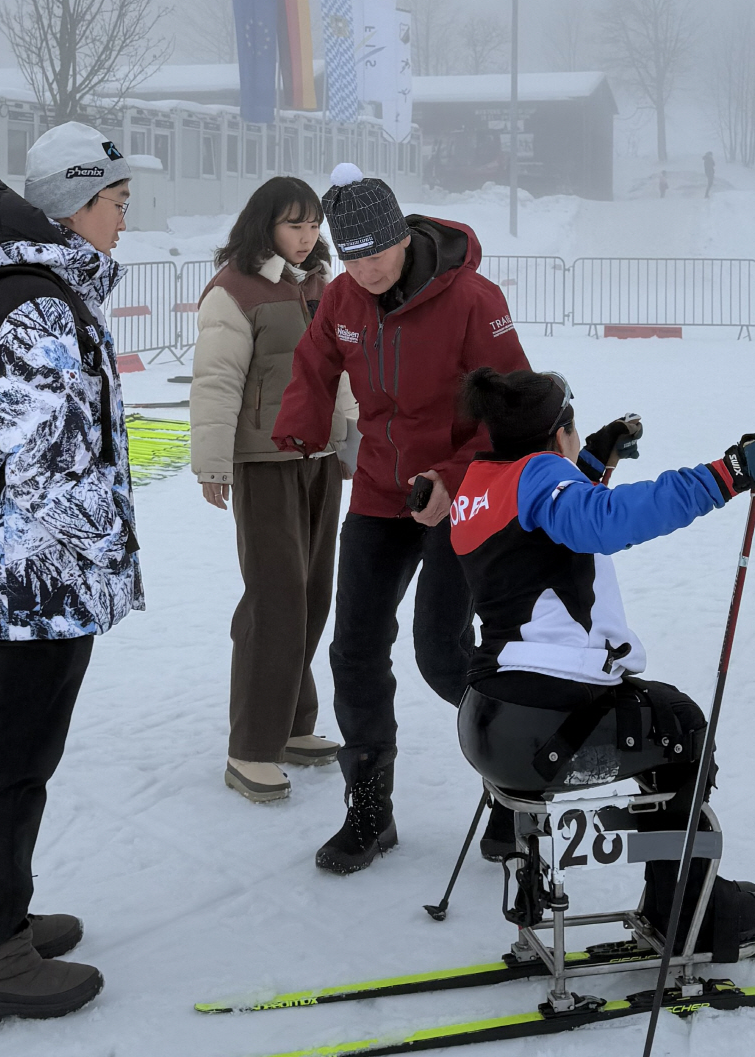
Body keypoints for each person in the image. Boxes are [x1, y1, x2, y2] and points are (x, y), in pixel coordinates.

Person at [450, 367, 755, 957]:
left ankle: (669, 897)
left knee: (658, 713)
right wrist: (725, 475)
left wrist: (595, 460)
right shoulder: (542, 478)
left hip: (491, 719)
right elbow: (602, 520)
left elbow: (538, 530)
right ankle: (686, 915)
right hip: (551, 721)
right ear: (557, 435)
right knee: (681, 726)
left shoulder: (481, 482)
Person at [273, 164, 531, 873]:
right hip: (384, 494)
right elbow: (316, 359)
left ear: (402, 239)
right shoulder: (345, 298)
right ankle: (370, 811)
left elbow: (516, 407)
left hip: (462, 491)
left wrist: (452, 477)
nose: (365, 269)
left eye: (376, 254)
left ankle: (517, 786)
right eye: (350, 257)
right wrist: (297, 426)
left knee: (443, 652)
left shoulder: (475, 301)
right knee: (353, 650)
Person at [0, 122, 141, 1027]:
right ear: (72, 205)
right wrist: (96, 559)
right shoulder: (37, 305)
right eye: (115, 202)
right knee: (11, 764)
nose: (123, 220)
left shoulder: (18, 288)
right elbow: (46, 459)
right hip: (34, 585)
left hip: (5, 576)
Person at [190, 177, 358, 802]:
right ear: (265, 225)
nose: (308, 235)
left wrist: (349, 440)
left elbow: (339, 372)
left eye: (314, 224)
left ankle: (290, 724)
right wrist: (212, 464)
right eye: (295, 224)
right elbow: (215, 381)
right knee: (275, 598)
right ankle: (251, 747)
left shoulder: (321, 286)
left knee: (313, 593)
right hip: (263, 461)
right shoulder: (233, 291)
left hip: (318, 459)